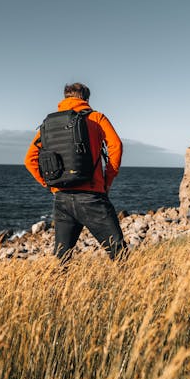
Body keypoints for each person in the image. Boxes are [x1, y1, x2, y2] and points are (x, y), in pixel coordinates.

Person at [24, 82, 126, 262]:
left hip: (61, 198)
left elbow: (29, 160)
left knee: (62, 258)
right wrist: (107, 180)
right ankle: (134, 288)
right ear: (86, 99)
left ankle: (60, 290)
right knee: (119, 253)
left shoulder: (49, 124)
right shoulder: (97, 118)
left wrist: (49, 185)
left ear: (65, 98)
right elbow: (116, 146)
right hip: (91, 196)